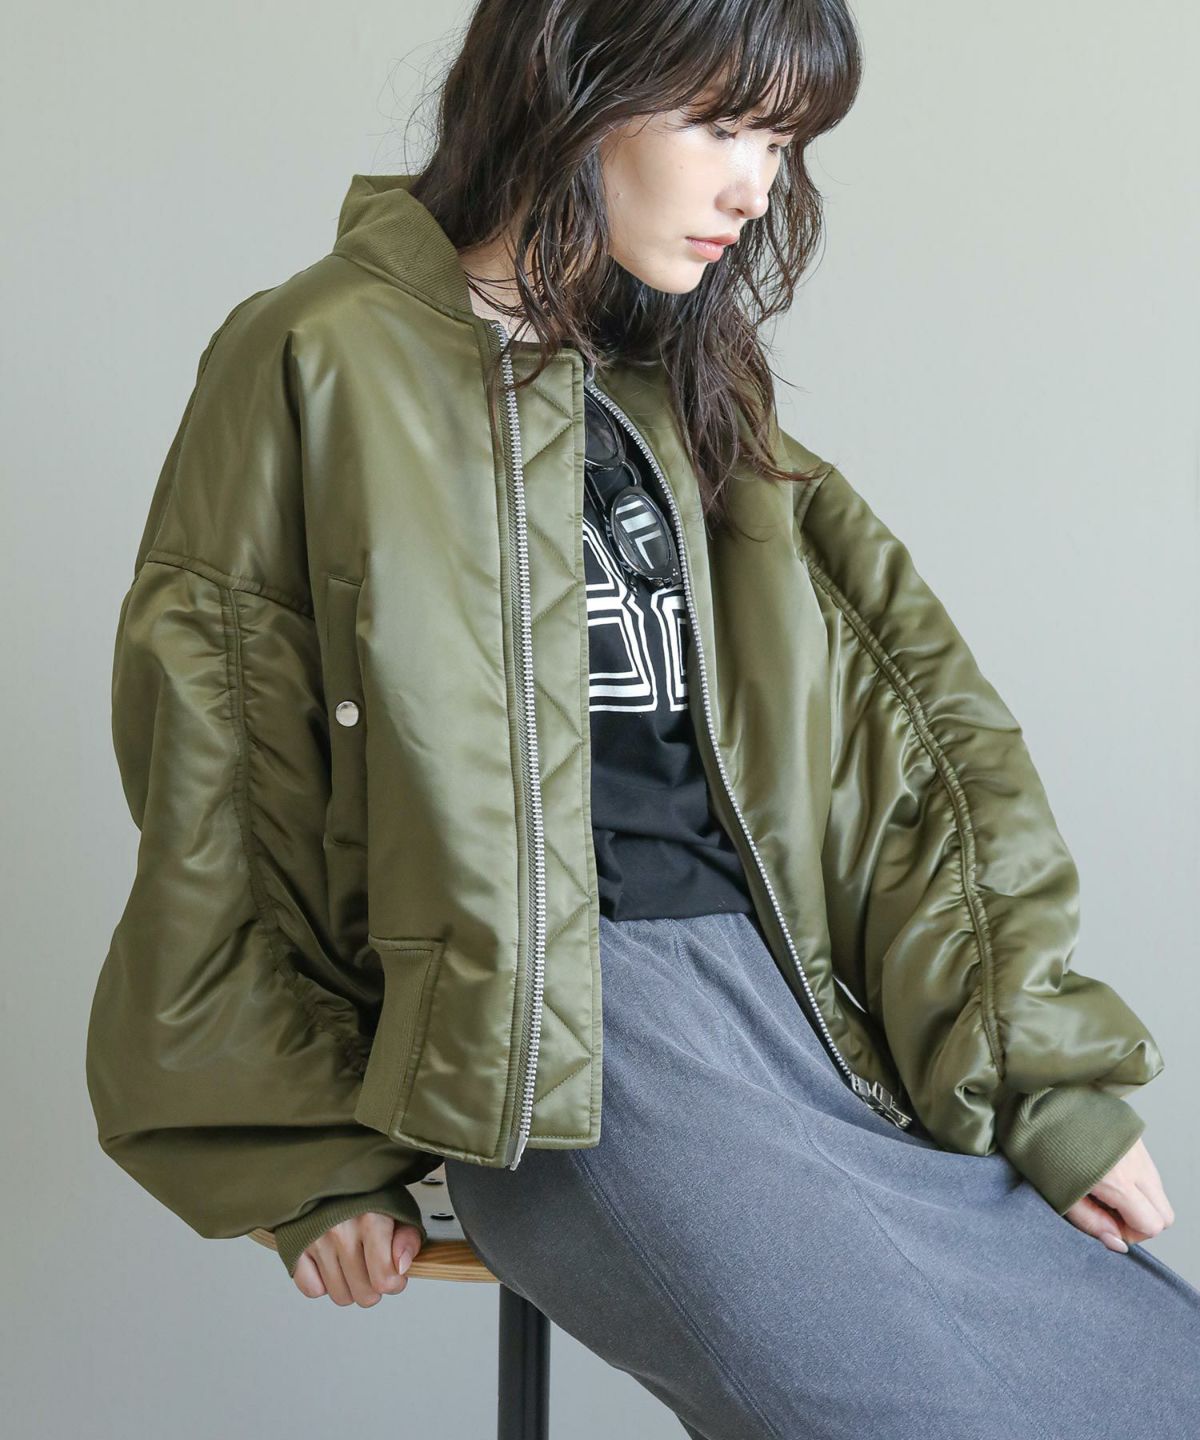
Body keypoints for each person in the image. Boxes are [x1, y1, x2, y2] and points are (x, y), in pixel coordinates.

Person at [86, 2, 1200, 1435]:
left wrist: (1041, 1078)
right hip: (568, 1055)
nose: (756, 188)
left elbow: (915, 747)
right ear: (571, 84)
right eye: (722, 126)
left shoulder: (675, 385)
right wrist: (295, 1155)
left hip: (796, 1019)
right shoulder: (316, 353)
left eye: (782, 144)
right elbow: (222, 772)